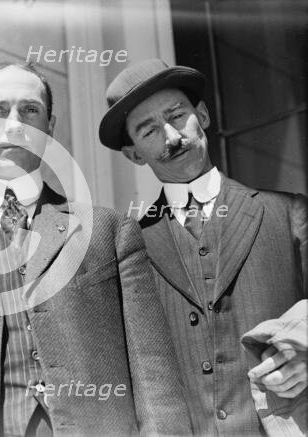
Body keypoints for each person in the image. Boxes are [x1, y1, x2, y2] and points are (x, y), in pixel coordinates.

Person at [0, 62, 191, 436]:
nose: (14, 124)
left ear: (50, 128)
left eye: (29, 110)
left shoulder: (108, 232)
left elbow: (154, 372)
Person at [99, 58, 308, 435]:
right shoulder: (128, 248)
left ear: (204, 116)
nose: (171, 136)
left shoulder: (289, 213)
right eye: (148, 131)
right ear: (133, 154)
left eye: (177, 116)